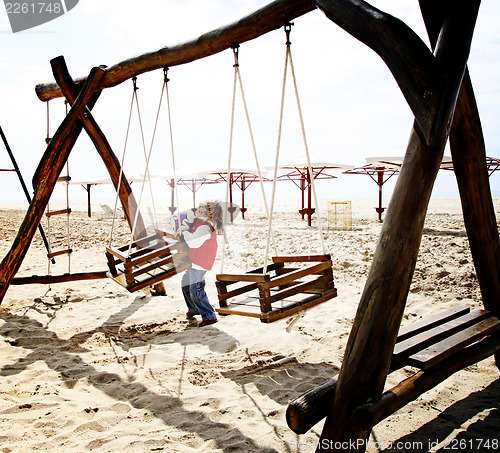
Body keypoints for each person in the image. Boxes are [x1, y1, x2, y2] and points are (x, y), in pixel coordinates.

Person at [172, 201, 223, 327]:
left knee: (196, 289)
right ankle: (194, 308)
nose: (199, 210)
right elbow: (188, 228)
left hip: (201, 262)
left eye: (202, 209)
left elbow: (194, 242)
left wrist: (184, 233)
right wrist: (182, 228)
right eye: (199, 208)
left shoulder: (205, 227)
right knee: (186, 284)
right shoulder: (198, 222)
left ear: (209, 212)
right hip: (194, 260)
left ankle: (209, 315)